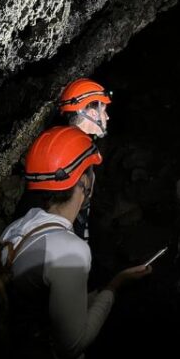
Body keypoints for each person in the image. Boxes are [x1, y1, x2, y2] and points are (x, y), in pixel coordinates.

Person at [0, 126, 150, 359]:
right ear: (83, 181)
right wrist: (115, 287)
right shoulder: (68, 250)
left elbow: (41, 299)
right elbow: (72, 345)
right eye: (91, 172)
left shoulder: (19, 228)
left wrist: (93, 294)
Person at [57, 77, 112, 240]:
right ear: (93, 113)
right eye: (104, 111)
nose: (107, 117)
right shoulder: (74, 152)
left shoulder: (67, 144)